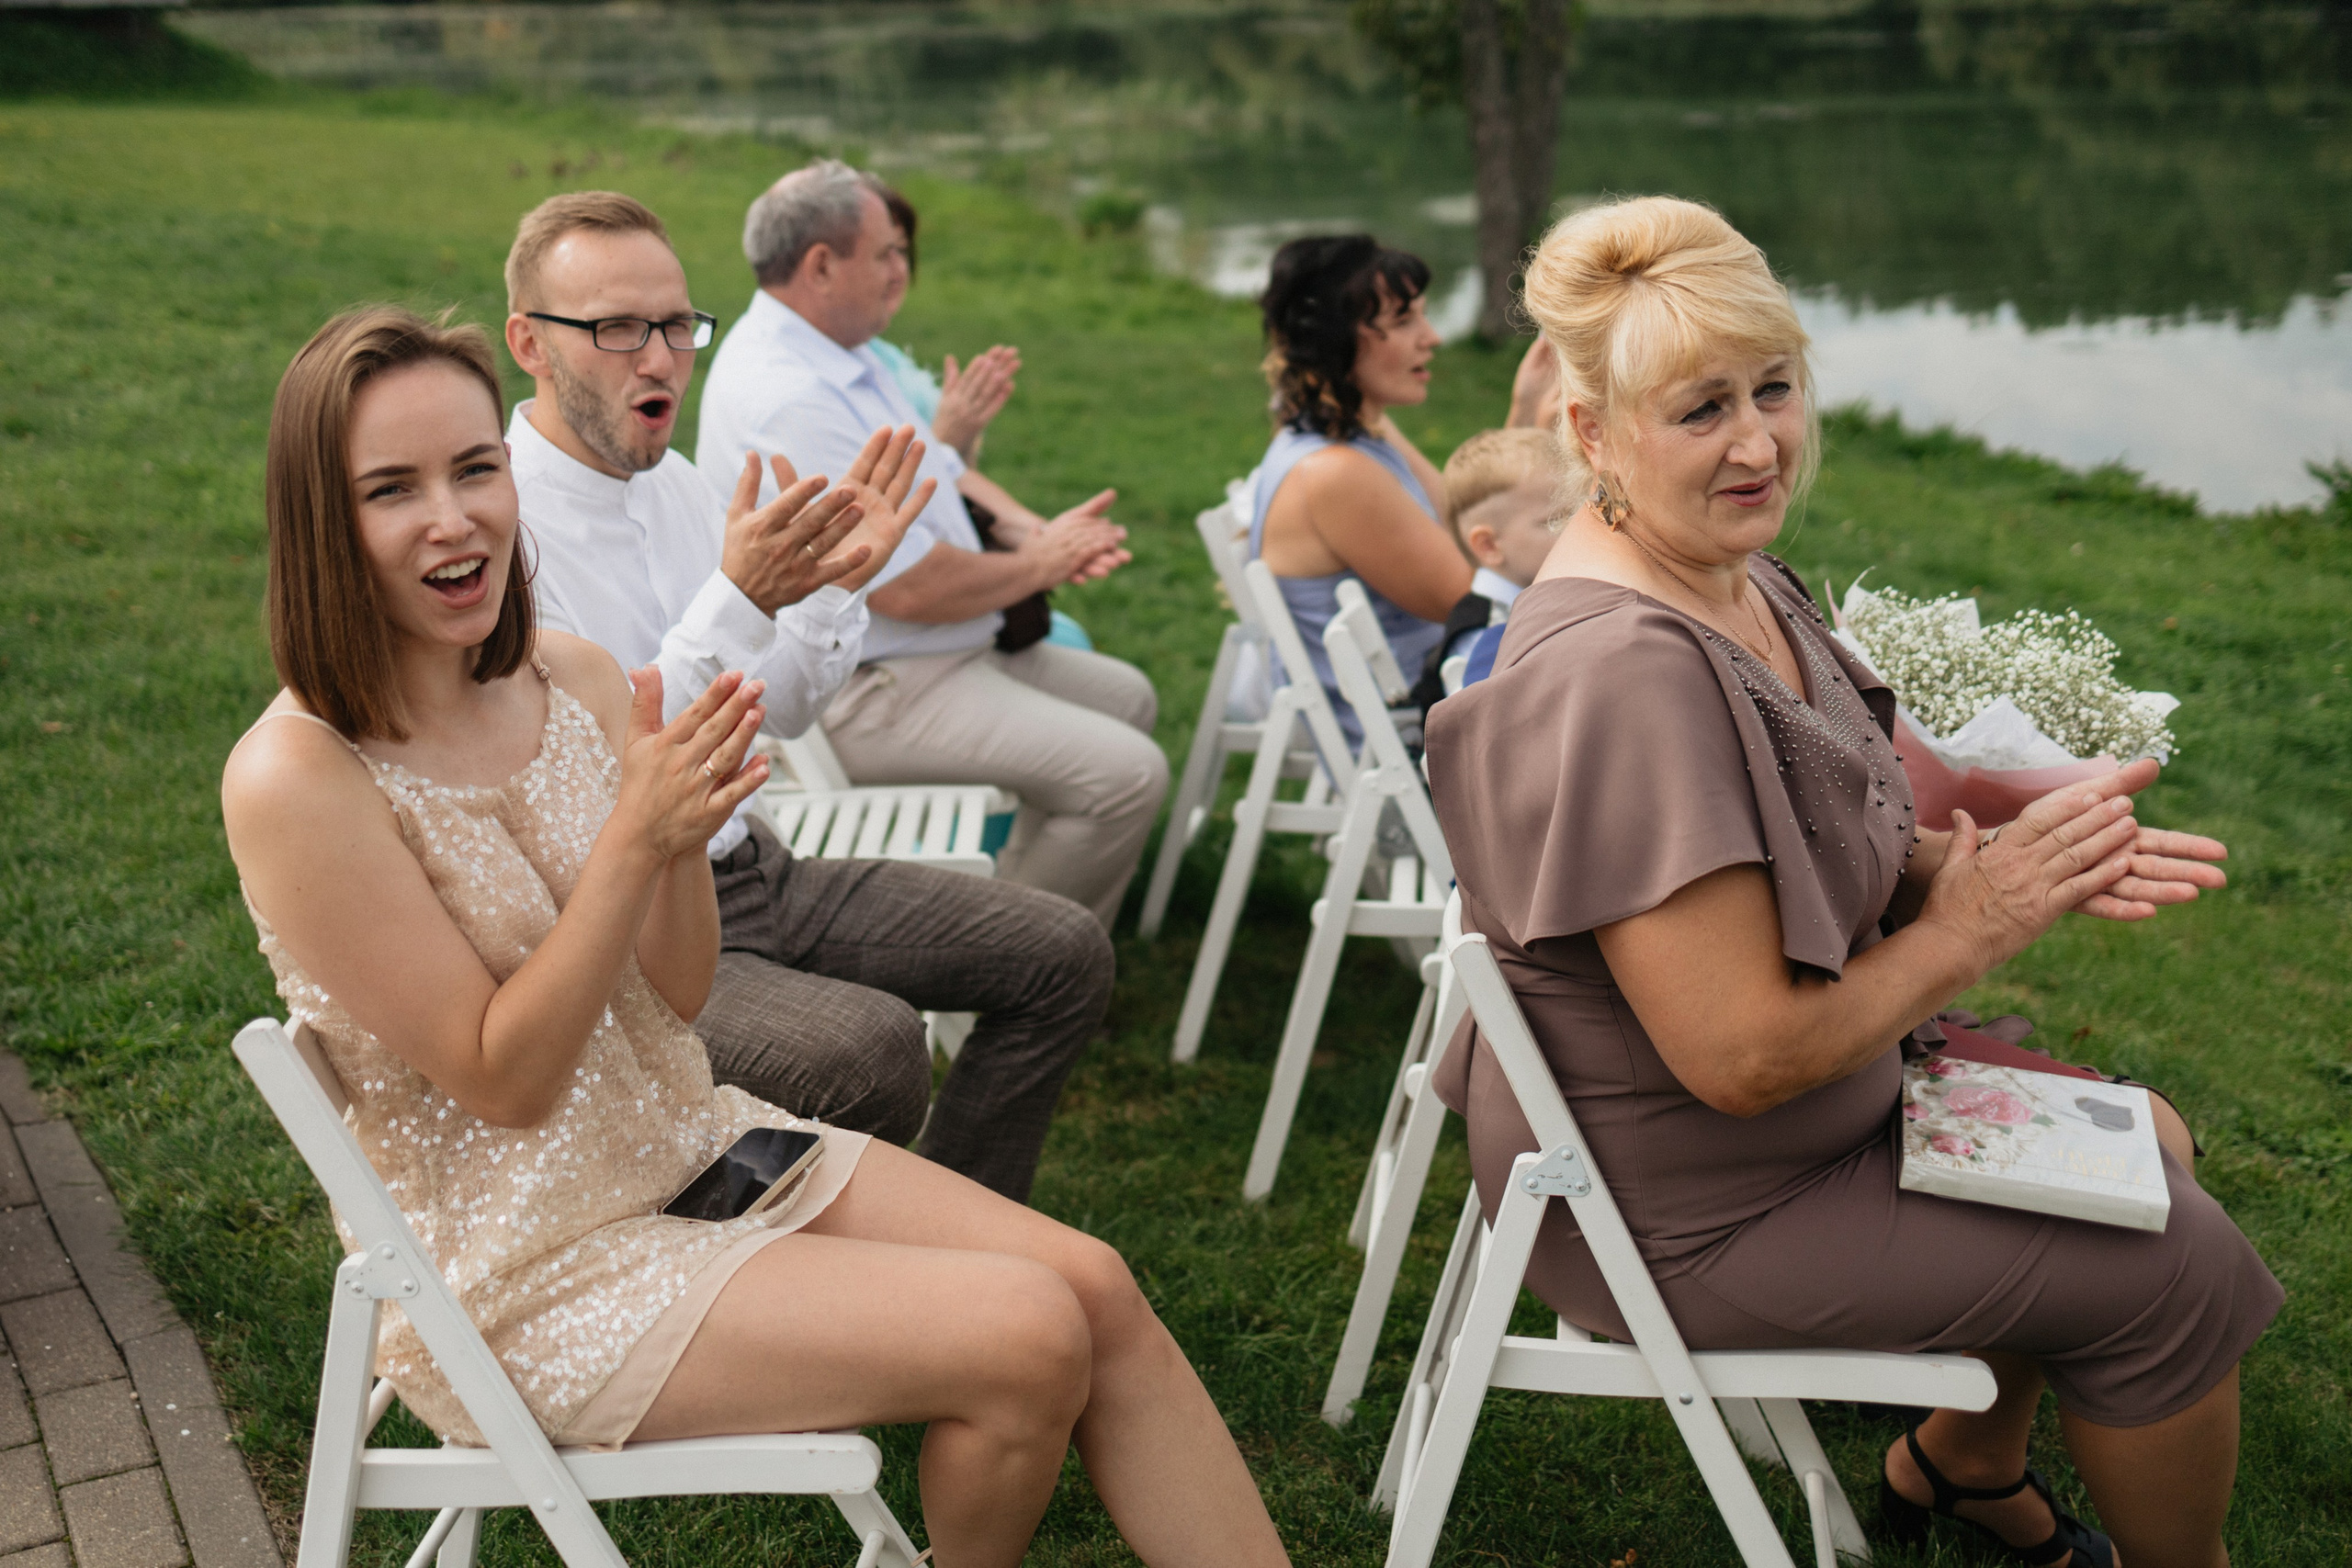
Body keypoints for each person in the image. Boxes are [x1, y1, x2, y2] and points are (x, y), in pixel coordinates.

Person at [222, 308, 1293, 1568]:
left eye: (474, 468)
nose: (453, 517)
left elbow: (675, 996)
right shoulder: (299, 773)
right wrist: (636, 836)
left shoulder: (568, 674)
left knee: (1096, 1285)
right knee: (1029, 1332)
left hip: (693, 1143)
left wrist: (679, 834)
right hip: (534, 1269)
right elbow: (502, 1076)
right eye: (390, 490)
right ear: (320, 526)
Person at [1424, 196, 2278, 1568]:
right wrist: (1975, 928)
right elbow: (1746, 1054)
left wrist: (1982, 859)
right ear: (1593, 435)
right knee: (2165, 1263)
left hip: (1798, 1126)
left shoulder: (1726, 572)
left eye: (1774, 388)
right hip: (1694, 1205)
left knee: (2148, 1142)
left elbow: (1807, 841)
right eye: (1701, 409)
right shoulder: (1625, 676)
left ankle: (1958, 1465)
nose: (1759, 441)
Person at [504, 191, 1112, 1204]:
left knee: (1061, 954)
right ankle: (808, 1256)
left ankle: (959, 1233)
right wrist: (741, 597)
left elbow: (777, 710)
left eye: (673, 325)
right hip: (630, 933)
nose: (657, 358)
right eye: (615, 328)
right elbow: (626, 757)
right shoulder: (504, 528)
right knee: (871, 1051)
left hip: (756, 868)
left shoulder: (685, 486)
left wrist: (832, 591)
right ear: (529, 341)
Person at [696, 159, 1167, 931]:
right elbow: (905, 585)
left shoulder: (838, 353)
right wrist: (1040, 564)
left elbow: (939, 471)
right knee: (1125, 777)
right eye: (886, 253)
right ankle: (1014, 970)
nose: (899, 271)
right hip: (871, 685)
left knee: (1131, 698)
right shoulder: (788, 394)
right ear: (821, 266)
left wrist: (1033, 532)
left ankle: (1018, 915)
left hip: (931, 654)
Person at [1248, 233, 1467, 744]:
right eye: (1404, 322)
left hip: (1429, 703)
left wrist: (1525, 413)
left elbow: (1461, 519)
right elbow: (1474, 604)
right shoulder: (1336, 473)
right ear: (1336, 339)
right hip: (1414, 739)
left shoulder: (1348, 431)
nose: (1430, 338)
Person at [1407, 427, 1565, 714]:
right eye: (1555, 520)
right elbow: (1488, 734)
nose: (1577, 530)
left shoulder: (1544, 595)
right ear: (1489, 545)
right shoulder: (1488, 636)